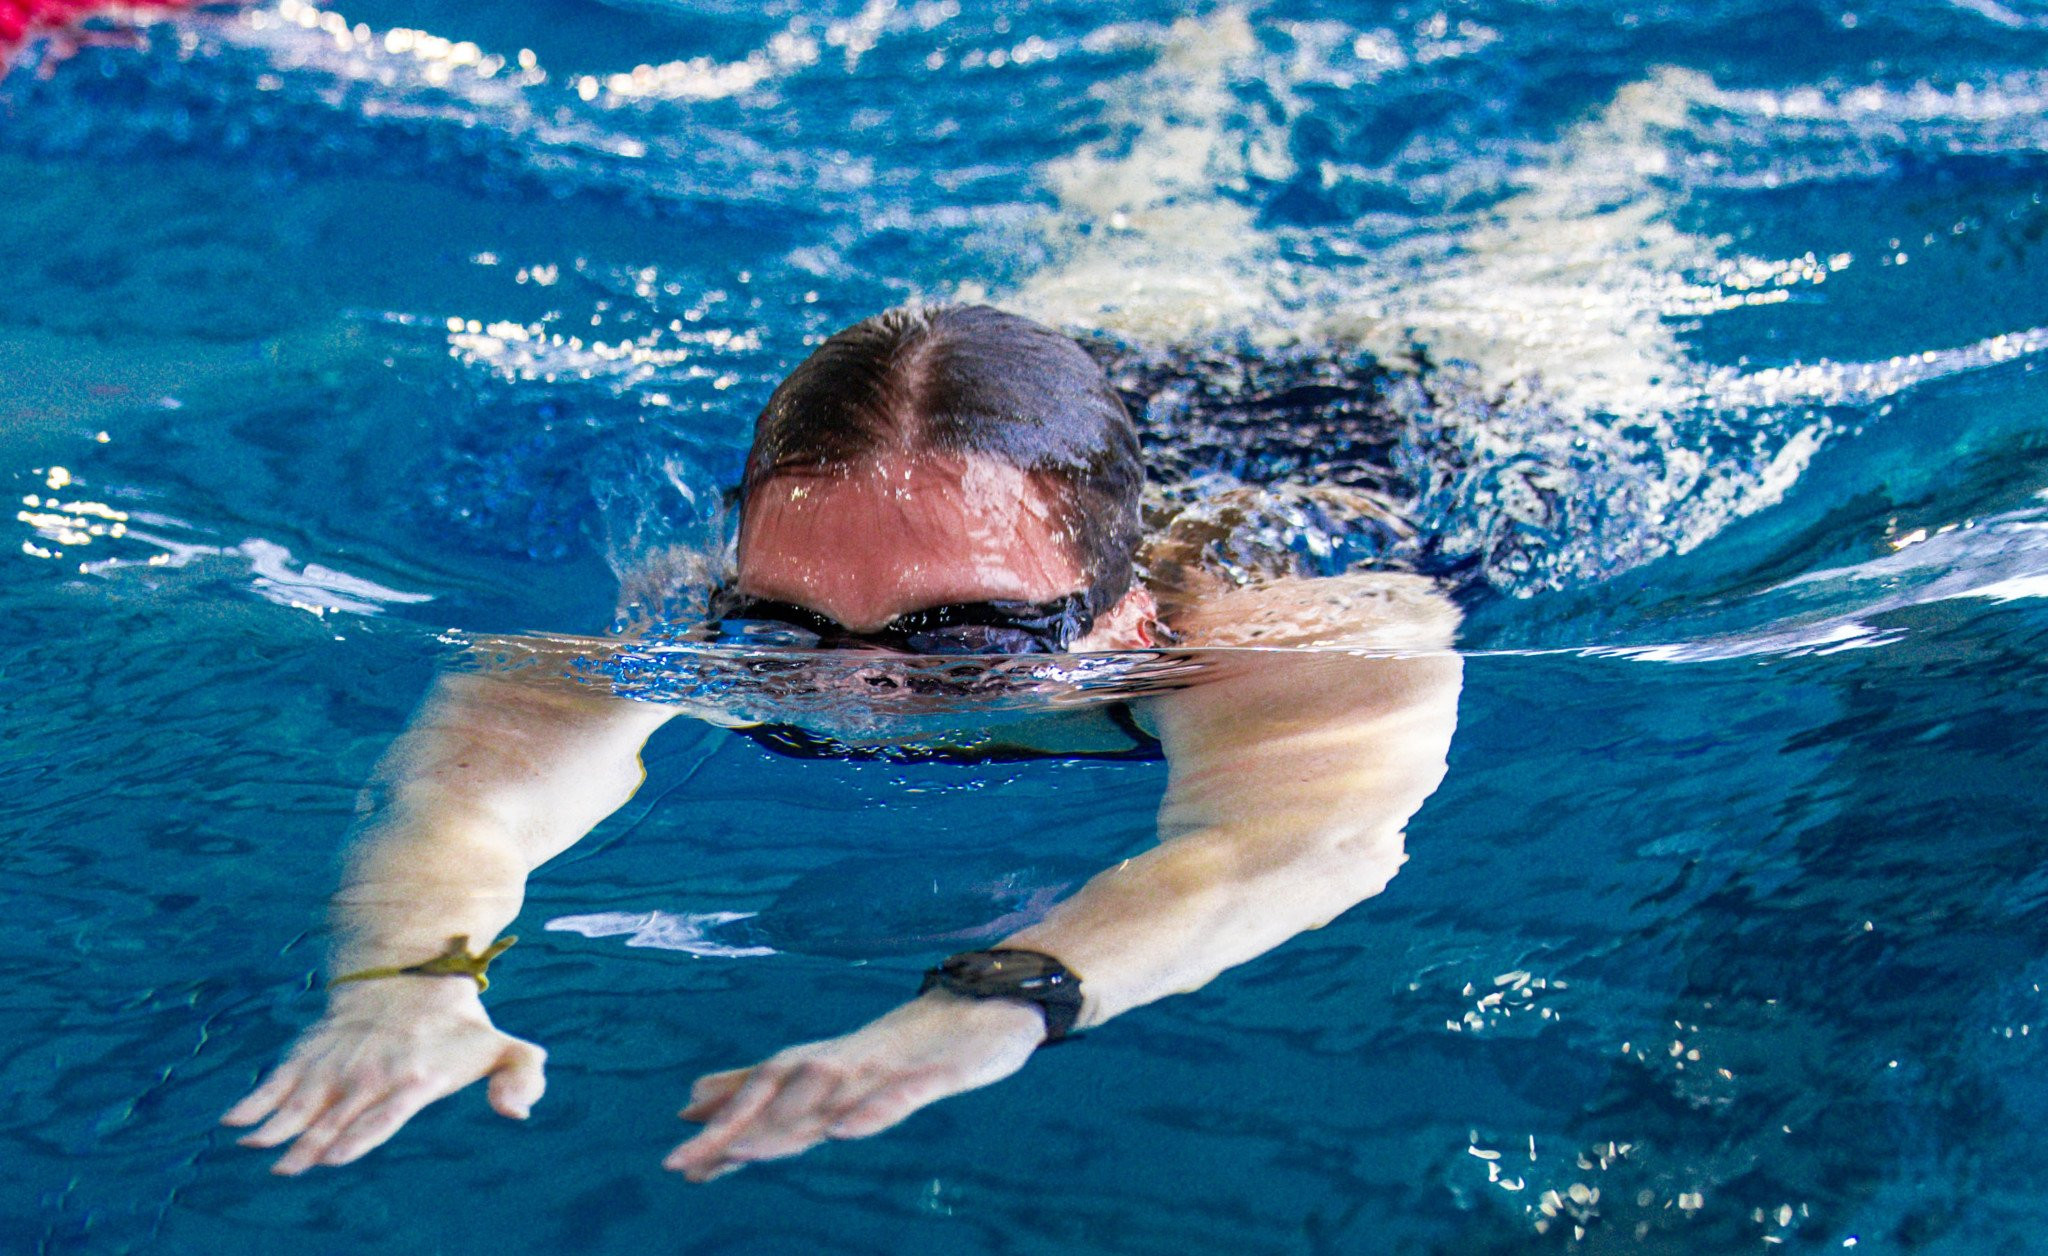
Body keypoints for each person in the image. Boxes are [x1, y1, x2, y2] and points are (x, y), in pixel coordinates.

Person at [219, 304, 1464, 1180]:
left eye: (965, 636)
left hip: (1408, 402)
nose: (865, 688)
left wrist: (984, 1005)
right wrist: (406, 985)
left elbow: (1297, 840)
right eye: (788, 624)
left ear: (1126, 612)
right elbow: (469, 797)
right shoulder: (690, 607)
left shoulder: (1297, 626)